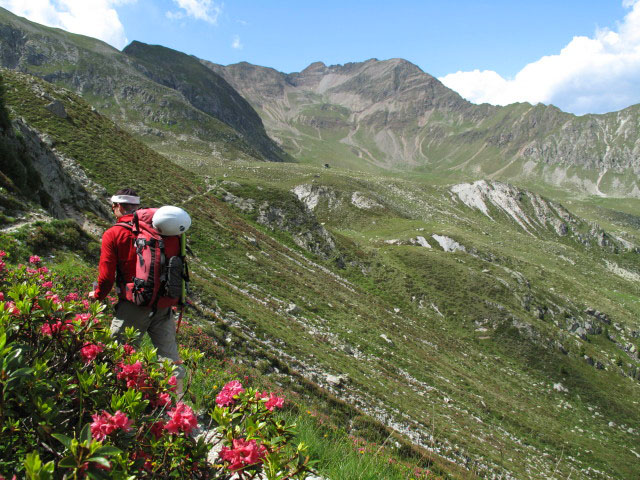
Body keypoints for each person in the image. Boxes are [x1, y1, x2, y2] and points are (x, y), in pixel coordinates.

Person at [89, 188, 184, 394]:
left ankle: (112, 397)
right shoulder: (164, 231)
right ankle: (177, 405)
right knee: (170, 359)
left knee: (116, 356)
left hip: (133, 306)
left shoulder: (114, 233)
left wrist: (97, 297)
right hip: (164, 305)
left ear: (117, 206)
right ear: (137, 207)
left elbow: (106, 278)